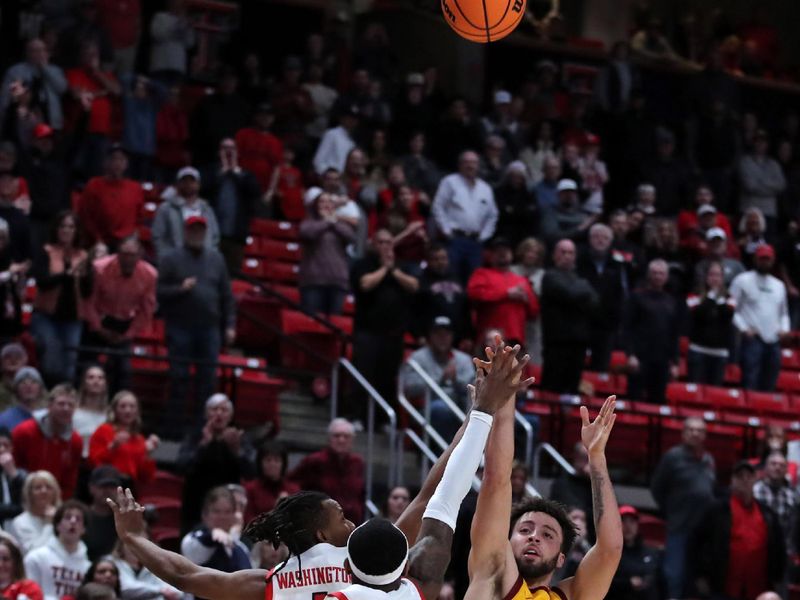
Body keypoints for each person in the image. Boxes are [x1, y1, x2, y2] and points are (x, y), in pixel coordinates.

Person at [321, 341, 532, 600]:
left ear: (346, 568)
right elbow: (447, 496)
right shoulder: (419, 589)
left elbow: (444, 498)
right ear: (407, 566)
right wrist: (484, 410)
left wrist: (483, 410)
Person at [462, 392, 622, 600]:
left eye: (548, 535)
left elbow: (610, 549)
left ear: (561, 559)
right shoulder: (490, 573)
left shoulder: (569, 596)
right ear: (507, 541)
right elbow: (495, 480)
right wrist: (506, 393)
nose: (534, 537)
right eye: (525, 529)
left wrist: (597, 456)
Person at [157, 215, 235, 434]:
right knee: (178, 378)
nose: (197, 234)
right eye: (193, 230)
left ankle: (203, 429)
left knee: (207, 381)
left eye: (201, 230)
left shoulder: (217, 259)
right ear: (185, 232)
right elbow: (159, 292)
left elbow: (226, 295)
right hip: (180, 326)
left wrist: (230, 324)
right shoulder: (171, 258)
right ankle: (173, 429)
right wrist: (179, 289)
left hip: (210, 328)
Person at [348, 230, 418, 424]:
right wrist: (385, 269)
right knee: (363, 375)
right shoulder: (364, 265)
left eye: (388, 242)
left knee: (387, 379)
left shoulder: (401, 267)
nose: (385, 246)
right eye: (381, 242)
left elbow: (413, 285)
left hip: (393, 334)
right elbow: (365, 284)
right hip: (367, 332)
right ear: (373, 244)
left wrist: (393, 270)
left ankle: (381, 421)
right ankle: (357, 417)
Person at [690, 461, 785, 600]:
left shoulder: (768, 514)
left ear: (755, 479)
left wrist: (777, 578)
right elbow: (696, 543)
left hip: (758, 589)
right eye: (740, 476)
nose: (745, 480)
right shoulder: (716, 510)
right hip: (722, 588)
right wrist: (699, 576)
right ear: (732, 480)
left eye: (749, 476)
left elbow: (778, 548)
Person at [650, 416, 716, 600]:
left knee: (697, 578)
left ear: (705, 435)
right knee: (674, 575)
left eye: (700, 430)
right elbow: (657, 488)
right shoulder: (673, 457)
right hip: (680, 526)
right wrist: (671, 510)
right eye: (691, 429)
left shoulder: (708, 459)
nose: (695, 434)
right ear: (683, 433)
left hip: (703, 531)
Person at [83, 236, 157, 393]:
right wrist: (98, 328)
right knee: (90, 368)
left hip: (125, 323)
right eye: (124, 254)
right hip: (100, 319)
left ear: (140, 255)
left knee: (123, 371)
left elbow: (146, 310)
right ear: (117, 253)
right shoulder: (100, 268)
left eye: (132, 255)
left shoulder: (149, 274)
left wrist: (129, 334)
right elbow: (89, 301)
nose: (128, 259)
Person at [177, 394, 253, 534]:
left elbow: (250, 472)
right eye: (214, 409)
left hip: (227, 509)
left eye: (224, 410)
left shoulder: (238, 438)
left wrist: (236, 451)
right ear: (206, 413)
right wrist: (203, 446)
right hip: (195, 508)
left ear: (230, 416)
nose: (219, 413)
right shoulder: (195, 436)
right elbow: (181, 467)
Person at [31, 211, 92, 385]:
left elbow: (88, 291)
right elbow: (42, 282)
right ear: (56, 229)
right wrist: (65, 276)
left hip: (73, 317)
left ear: (77, 231)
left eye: (71, 227)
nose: (66, 230)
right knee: (50, 363)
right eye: (63, 226)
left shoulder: (83, 256)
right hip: (46, 315)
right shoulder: (46, 251)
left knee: (69, 367)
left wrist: (87, 276)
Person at [400, 316, 475, 441]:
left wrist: (456, 380)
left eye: (446, 334)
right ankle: (443, 455)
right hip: (427, 408)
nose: (442, 339)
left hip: (460, 407)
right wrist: (439, 379)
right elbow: (409, 387)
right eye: (438, 334)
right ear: (430, 336)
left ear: (452, 337)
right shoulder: (417, 358)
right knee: (441, 410)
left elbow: (474, 388)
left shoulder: (463, 359)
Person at [540, 239, 600, 394]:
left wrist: (579, 293)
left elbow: (595, 303)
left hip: (579, 341)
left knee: (572, 388)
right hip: (556, 341)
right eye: (563, 252)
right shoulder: (550, 276)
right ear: (554, 255)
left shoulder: (580, 280)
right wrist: (582, 291)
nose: (567, 256)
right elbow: (569, 294)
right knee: (552, 387)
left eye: (571, 252)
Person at [431, 150, 498, 284]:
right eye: (466, 162)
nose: (470, 166)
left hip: (475, 242)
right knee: (452, 278)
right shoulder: (450, 182)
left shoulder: (485, 188)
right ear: (460, 165)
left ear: (478, 165)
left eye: (473, 162)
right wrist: (446, 230)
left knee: (474, 281)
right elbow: (437, 207)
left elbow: (493, 215)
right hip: (455, 240)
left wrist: (484, 235)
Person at [730, 244, 790, 391]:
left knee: (770, 381)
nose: (765, 262)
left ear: (773, 261)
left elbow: (784, 314)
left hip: (773, 340)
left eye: (767, 259)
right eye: (762, 259)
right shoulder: (742, 280)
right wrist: (744, 328)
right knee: (750, 380)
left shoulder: (779, 285)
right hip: (753, 339)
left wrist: (784, 329)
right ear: (755, 259)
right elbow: (731, 309)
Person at [288, 419, 365, 524]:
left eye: (346, 436)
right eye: (337, 436)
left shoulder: (357, 462)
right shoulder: (314, 461)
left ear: (352, 440)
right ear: (329, 438)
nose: (341, 440)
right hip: (322, 525)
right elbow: (292, 484)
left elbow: (360, 495)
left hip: (352, 524)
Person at [624, 259, 680, 404]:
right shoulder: (636, 297)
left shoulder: (671, 302)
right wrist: (630, 355)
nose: (657, 276)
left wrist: (675, 363)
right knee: (634, 398)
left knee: (658, 400)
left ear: (666, 277)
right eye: (654, 273)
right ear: (648, 275)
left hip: (661, 360)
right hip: (640, 358)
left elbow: (674, 334)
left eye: (661, 273)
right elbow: (627, 328)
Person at [12, 385, 82, 499]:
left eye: (71, 405)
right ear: (49, 406)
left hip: (55, 500)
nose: (66, 408)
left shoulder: (75, 441)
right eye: (61, 404)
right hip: (22, 494)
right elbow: (13, 467)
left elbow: (70, 480)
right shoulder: (24, 431)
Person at [202, 138, 261, 274]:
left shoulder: (245, 175)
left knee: (233, 275)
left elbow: (254, 192)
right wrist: (222, 172)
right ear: (219, 152)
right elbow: (202, 188)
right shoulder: (212, 172)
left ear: (237, 152)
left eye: (232, 148)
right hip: (212, 236)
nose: (228, 152)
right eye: (225, 148)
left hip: (236, 236)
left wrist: (235, 172)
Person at [467, 238, 539, 347]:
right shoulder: (482, 274)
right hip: (490, 341)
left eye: (506, 250)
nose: (503, 253)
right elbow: (474, 294)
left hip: (515, 341)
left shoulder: (521, 280)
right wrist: (506, 293)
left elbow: (534, 311)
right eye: (498, 251)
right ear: (490, 255)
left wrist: (526, 299)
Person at [576, 223, 626, 372]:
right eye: (596, 237)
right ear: (589, 239)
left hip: (606, 325)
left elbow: (621, 296)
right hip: (581, 322)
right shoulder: (578, 260)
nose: (600, 240)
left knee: (601, 365)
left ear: (610, 241)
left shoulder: (618, 265)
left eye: (604, 237)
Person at [298, 191, 356, 316]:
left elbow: (350, 237)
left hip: (337, 281)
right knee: (310, 322)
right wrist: (327, 222)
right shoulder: (309, 222)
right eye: (322, 201)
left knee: (334, 325)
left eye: (329, 201)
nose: (326, 204)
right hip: (313, 281)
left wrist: (334, 221)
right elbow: (307, 233)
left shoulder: (340, 225)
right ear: (315, 205)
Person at [88, 391, 159, 488]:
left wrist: (149, 455)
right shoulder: (104, 430)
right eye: (123, 406)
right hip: (107, 484)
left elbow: (146, 478)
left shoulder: (139, 439)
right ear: (115, 410)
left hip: (130, 486)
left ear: (137, 411)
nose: (128, 410)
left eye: (132, 406)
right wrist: (113, 447)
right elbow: (93, 462)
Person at [24, 500, 91, 600]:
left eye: (78, 519)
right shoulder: (36, 557)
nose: (73, 521)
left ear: (84, 529)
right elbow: (27, 595)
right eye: (68, 517)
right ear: (57, 525)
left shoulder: (88, 568)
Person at [78, 145, 143, 248]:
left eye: (121, 159)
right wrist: (97, 240)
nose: (117, 163)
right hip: (99, 243)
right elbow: (86, 216)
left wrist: (133, 237)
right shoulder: (94, 185)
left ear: (127, 164)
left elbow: (139, 218)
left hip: (126, 243)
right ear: (106, 162)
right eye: (114, 158)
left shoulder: (135, 188)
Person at [180, 487, 251, 577]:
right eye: (216, 511)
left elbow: (245, 573)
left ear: (234, 516)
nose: (222, 517)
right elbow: (197, 552)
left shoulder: (241, 547)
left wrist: (232, 539)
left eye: (227, 512)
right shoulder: (192, 539)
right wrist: (212, 535)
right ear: (205, 515)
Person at [152, 167, 220, 261]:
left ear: (198, 184)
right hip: (175, 263)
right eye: (184, 180)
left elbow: (214, 238)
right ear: (178, 184)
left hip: (203, 263)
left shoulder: (207, 209)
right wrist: (166, 260)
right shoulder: (166, 208)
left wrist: (210, 261)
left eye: (192, 180)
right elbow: (158, 237)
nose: (188, 184)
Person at [686, 261, 736, 386]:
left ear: (722, 278)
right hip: (698, 350)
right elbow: (699, 314)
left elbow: (727, 316)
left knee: (715, 391)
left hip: (719, 353)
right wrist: (711, 296)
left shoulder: (729, 297)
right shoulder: (694, 294)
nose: (714, 278)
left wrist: (718, 298)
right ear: (706, 276)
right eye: (711, 275)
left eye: (718, 275)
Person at [0, 39, 67, 130]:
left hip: (50, 119)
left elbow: (62, 89)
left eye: (42, 50)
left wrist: (45, 69)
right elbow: (6, 97)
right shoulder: (16, 71)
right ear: (27, 53)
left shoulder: (55, 70)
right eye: (35, 50)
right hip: (24, 121)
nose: (39, 54)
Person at [413, 244, 470, 345]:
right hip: (431, 336)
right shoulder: (421, 281)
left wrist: (467, 336)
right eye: (435, 259)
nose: (440, 262)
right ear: (428, 261)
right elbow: (415, 311)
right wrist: (419, 335)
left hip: (457, 336)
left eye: (443, 258)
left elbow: (465, 309)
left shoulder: (457, 278)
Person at [738, 129, 785, 235]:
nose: (760, 144)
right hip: (749, 210)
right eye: (757, 141)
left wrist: (759, 183)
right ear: (753, 143)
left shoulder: (774, 164)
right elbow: (749, 185)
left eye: (763, 142)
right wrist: (770, 187)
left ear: (767, 145)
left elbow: (781, 185)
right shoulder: (745, 162)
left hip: (769, 211)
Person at [607, 506, 660, 600]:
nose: (628, 526)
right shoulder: (609, 553)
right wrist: (628, 583)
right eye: (623, 521)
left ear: (637, 525)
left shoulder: (651, 552)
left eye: (632, 521)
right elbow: (604, 583)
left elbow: (659, 579)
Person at [753, 452, 798, 556]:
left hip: (784, 550)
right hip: (758, 548)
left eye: (782, 465)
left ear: (786, 470)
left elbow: (793, 527)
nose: (777, 467)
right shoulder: (754, 490)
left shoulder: (792, 495)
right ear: (765, 467)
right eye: (773, 464)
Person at [243, 440, 299, 525]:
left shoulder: (293, 490)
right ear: (260, 463)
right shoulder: (250, 489)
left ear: (283, 464)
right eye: (268, 460)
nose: (272, 464)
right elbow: (248, 521)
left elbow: (298, 521)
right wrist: (274, 510)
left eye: (277, 460)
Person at [7, 471, 60, 555]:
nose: (44, 491)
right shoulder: (20, 522)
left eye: (49, 487)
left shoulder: (64, 518)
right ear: (29, 494)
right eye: (38, 488)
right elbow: (34, 555)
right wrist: (49, 524)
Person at [112, 537, 181, 600]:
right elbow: (126, 588)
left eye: (140, 546)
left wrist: (166, 592)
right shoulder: (113, 563)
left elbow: (176, 591)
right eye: (131, 545)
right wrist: (160, 590)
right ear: (121, 547)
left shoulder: (154, 565)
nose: (136, 549)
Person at [540, 179, 598, 247]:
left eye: (572, 192)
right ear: (558, 195)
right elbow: (552, 237)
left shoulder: (583, 212)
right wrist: (581, 228)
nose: (569, 195)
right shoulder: (550, 212)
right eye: (565, 192)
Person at [84, 466, 125, 561]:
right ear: (91, 488)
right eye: (102, 486)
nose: (107, 491)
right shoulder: (81, 516)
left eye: (112, 487)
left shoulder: (123, 519)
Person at [73, 366, 109, 457]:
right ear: (84, 383)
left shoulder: (110, 414)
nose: (96, 381)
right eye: (91, 377)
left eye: (100, 378)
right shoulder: (72, 410)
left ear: (105, 384)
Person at [312, 106, 360, 175]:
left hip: (343, 181)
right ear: (342, 118)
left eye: (354, 119)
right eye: (349, 118)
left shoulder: (352, 142)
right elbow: (318, 161)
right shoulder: (332, 134)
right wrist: (327, 175)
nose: (352, 121)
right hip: (329, 178)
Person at [0, 367, 45, 433]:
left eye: (33, 382)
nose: (28, 386)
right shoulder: (4, 419)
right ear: (16, 389)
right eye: (23, 383)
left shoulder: (48, 418)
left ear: (40, 388)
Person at [0, 344, 27, 412]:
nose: (13, 360)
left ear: (25, 361)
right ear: (1, 362)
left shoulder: (36, 388)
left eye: (18, 356)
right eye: (8, 357)